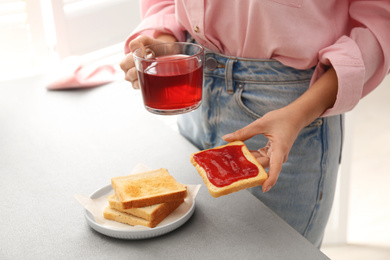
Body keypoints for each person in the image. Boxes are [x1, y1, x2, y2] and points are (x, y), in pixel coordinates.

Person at [120, 0, 390, 247]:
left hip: (289, 110)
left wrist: (298, 113)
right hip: (194, 91)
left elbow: (380, 21)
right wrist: (167, 46)